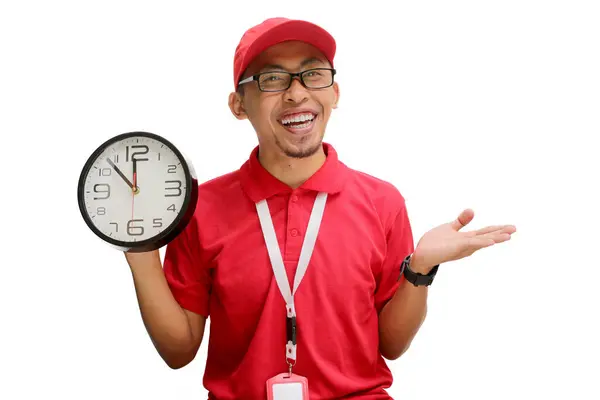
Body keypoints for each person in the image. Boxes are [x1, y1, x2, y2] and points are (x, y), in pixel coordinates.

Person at [124, 17, 516, 399]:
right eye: (273, 78)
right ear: (238, 104)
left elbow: (392, 345)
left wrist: (420, 269)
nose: (297, 93)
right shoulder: (201, 207)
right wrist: (138, 246)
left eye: (313, 74)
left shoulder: (382, 202)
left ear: (335, 93)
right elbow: (179, 351)